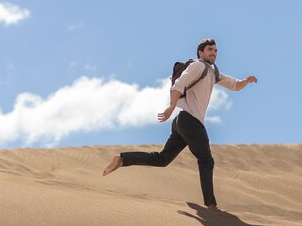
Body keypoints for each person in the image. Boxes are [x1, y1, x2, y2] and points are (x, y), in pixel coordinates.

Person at [102, 38, 258, 210]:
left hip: (182, 122)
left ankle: (123, 159)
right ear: (201, 53)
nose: (213, 53)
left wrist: (246, 81)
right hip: (190, 120)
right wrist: (171, 106)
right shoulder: (198, 66)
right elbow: (179, 83)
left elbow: (234, 85)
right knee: (206, 160)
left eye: (215, 51)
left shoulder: (213, 71)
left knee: (162, 159)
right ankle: (211, 204)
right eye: (209, 50)